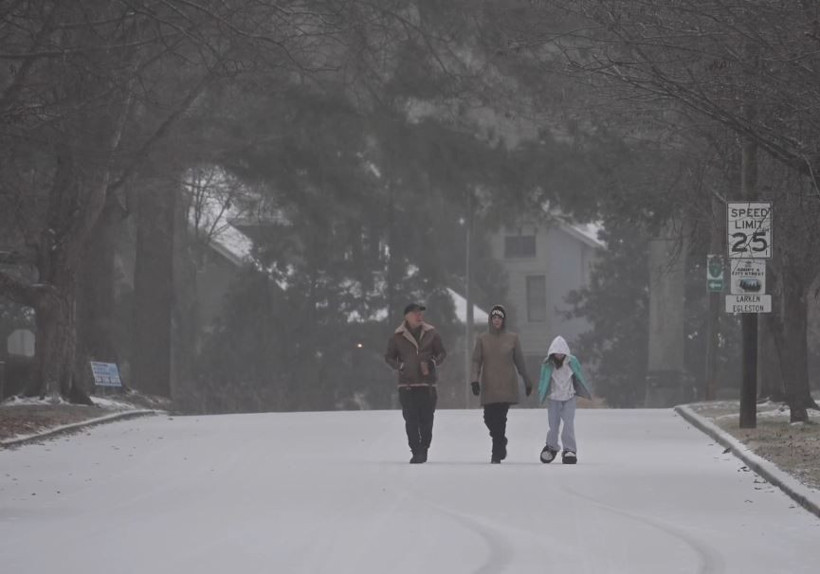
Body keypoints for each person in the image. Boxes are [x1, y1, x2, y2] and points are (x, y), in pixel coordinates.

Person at [385, 302, 447, 464]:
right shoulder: (397, 336)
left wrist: (433, 362)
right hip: (407, 385)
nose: (419, 316)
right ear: (407, 316)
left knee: (427, 419)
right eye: (415, 313)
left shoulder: (431, 333)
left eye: (420, 313)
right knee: (411, 419)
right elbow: (389, 357)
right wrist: (400, 366)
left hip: (428, 385)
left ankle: (424, 447)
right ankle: (416, 450)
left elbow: (442, 353)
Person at [470, 304, 533, 464]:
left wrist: (527, 380)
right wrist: (474, 380)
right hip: (489, 385)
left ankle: (496, 452)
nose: (497, 321)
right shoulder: (483, 339)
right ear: (491, 320)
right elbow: (476, 361)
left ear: (503, 320)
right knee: (488, 418)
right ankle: (501, 441)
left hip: (506, 385)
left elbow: (520, 361)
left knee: (500, 418)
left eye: (499, 318)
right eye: (494, 318)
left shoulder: (512, 338)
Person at [537, 335, 592, 464]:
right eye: (556, 353)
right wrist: (542, 392)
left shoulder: (572, 362)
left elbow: (578, 375)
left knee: (568, 424)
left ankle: (570, 449)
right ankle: (551, 447)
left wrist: (582, 390)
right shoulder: (547, 364)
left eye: (561, 353)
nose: (559, 356)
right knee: (553, 425)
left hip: (569, 397)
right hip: (554, 398)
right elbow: (543, 379)